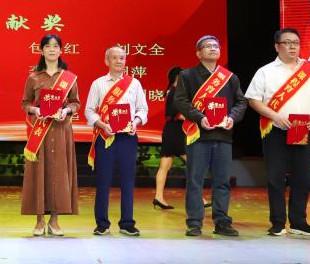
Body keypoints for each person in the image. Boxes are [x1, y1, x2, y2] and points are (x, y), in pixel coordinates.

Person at [245, 28, 310, 237]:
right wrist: (275, 116)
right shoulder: (266, 71)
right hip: (275, 130)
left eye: (296, 43)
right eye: (287, 43)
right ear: (277, 47)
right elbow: (253, 100)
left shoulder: (309, 70)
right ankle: (278, 222)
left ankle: (299, 222)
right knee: (276, 178)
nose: (292, 46)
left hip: (302, 130)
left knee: (303, 177)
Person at [173, 35, 247, 237]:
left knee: (222, 181)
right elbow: (180, 101)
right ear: (198, 53)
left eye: (216, 46)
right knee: (195, 181)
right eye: (208, 46)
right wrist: (200, 118)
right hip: (198, 135)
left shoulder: (230, 78)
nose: (213, 48)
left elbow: (241, 102)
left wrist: (232, 118)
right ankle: (194, 222)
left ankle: (222, 222)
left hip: (223, 136)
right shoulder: (187, 76)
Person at [84, 46, 148, 236]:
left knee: (127, 180)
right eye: (115, 58)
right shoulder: (98, 84)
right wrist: (102, 124)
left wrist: (136, 122)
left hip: (127, 137)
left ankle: (127, 223)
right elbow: (89, 110)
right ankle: (102, 223)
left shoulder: (134, 84)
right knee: (103, 180)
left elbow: (143, 109)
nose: (119, 61)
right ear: (107, 61)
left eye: (122, 58)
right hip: (105, 136)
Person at [21, 34, 80, 236]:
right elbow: (25, 103)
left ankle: (54, 221)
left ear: (61, 50)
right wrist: (35, 110)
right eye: (48, 46)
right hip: (40, 132)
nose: (52, 49)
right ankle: (39, 221)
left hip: (61, 130)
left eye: (56, 46)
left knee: (58, 172)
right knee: (39, 172)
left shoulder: (69, 78)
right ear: (42, 50)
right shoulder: (34, 77)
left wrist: (67, 110)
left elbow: (75, 102)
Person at [153, 66, 186, 210]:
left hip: (171, 130)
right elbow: (175, 113)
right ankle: (199, 198)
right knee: (193, 164)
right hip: (176, 131)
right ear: (178, 77)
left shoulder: (171, 91)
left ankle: (158, 197)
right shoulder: (176, 91)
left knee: (165, 166)